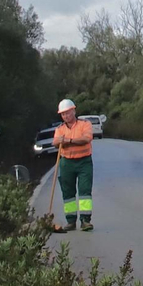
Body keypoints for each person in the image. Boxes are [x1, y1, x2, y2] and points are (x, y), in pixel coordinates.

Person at [52, 98, 95, 231]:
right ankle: (70, 221)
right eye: (63, 114)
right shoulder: (60, 129)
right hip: (67, 163)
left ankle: (85, 220)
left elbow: (86, 138)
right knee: (68, 192)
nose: (66, 116)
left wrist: (68, 140)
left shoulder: (84, 124)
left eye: (68, 113)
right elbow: (55, 143)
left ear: (74, 111)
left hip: (84, 162)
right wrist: (61, 141)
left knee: (85, 191)